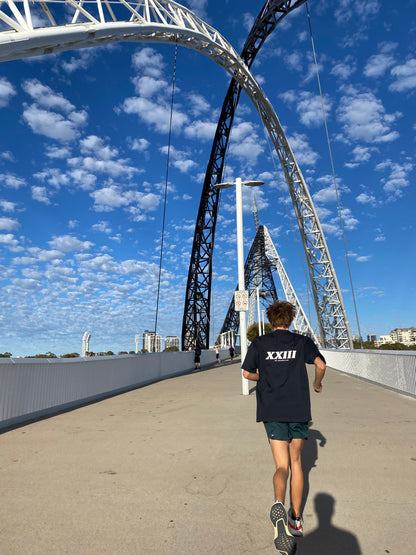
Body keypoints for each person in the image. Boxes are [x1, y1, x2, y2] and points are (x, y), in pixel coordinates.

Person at [242, 300, 326, 554]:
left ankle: (278, 502)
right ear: (290, 319)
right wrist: (317, 384)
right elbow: (321, 365)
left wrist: (263, 376)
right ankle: (295, 519)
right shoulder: (301, 342)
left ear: (270, 320)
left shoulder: (259, 344)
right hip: (298, 410)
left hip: (272, 410)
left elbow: (247, 374)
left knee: (281, 466)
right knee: (297, 463)